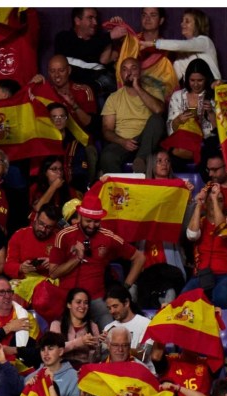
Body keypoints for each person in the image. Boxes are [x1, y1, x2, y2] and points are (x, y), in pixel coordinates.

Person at [48, 193, 145, 327]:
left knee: (112, 332)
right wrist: (77, 258)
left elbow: (139, 257)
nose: (92, 226)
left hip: (97, 299)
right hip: (69, 300)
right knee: (62, 333)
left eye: (96, 221)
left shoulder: (107, 236)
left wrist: (125, 287)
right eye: (88, 221)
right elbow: (53, 273)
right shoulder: (63, 236)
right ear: (80, 216)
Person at [182, 183, 227, 310]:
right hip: (202, 276)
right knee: (185, 297)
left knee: (220, 295)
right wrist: (198, 205)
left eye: (220, 200)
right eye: (210, 201)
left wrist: (214, 199)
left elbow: (222, 231)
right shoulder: (200, 222)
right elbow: (192, 235)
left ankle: (223, 323)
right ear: (206, 204)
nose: (214, 204)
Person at [98, 57, 166, 175]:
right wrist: (122, 141)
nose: (129, 73)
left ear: (140, 71)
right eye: (125, 69)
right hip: (123, 141)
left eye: (133, 68)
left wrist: (137, 87)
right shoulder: (113, 98)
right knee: (107, 156)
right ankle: (120, 186)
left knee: (157, 120)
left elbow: (158, 110)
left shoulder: (153, 91)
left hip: (147, 141)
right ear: (121, 74)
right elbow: (107, 130)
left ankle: (141, 160)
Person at [49, 287, 102, 368]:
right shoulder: (56, 325)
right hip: (61, 369)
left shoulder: (93, 326)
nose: (82, 306)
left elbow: (96, 359)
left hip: (84, 369)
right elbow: (54, 350)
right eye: (78, 302)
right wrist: (81, 341)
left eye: (86, 303)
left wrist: (96, 347)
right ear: (69, 304)